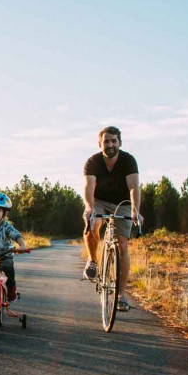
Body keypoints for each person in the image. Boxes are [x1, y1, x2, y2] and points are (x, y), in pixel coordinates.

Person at [82, 125, 142, 312]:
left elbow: (134, 187)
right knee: (95, 221)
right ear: (100, 143)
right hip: (98, 200)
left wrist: (135, 210)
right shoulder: (92, 161)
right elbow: (89, 187)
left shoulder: (129, 161)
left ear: (120, 143)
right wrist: (90, 208)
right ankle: (92, 260)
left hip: (121, 203)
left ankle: (121, 296)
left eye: (114, 141)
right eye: (106, 141)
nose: (110, 144)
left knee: (122, 244)